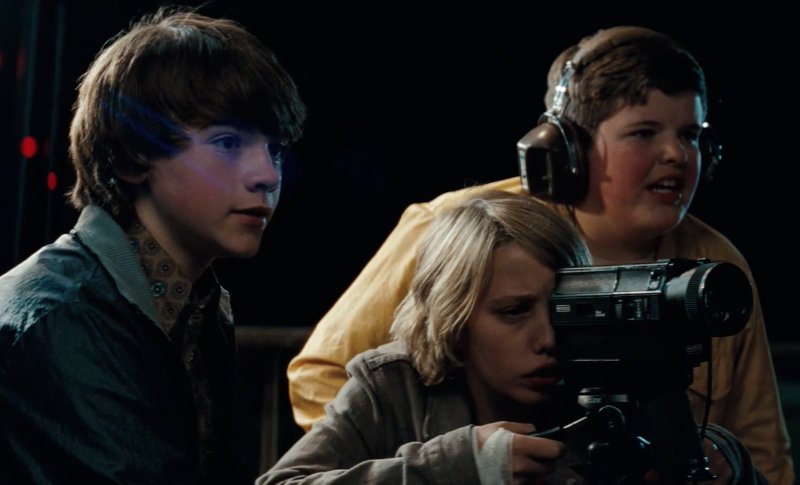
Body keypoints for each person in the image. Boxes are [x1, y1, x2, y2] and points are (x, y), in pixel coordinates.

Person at [287, 26, 793, 484]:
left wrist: (724, 459)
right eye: (644, 132)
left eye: (690, 136)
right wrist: (441, 467)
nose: (677, 155)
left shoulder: (712, 268)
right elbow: (323, 375)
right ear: (568, 150)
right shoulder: (464, 228)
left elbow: (762, 449)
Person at [262, 190, 765, 484]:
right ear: (454, 318)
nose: (548, 338)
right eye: (513, 312)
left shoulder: (614, 378)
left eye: (564, 310)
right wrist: (459, 466)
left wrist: (729, 462)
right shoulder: (392, 387)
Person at [0, 7, 306, 485]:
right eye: (228, 142)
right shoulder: (64, 318)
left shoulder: (197, 305)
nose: (267, 174)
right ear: (131, 156)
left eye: (276, 149)